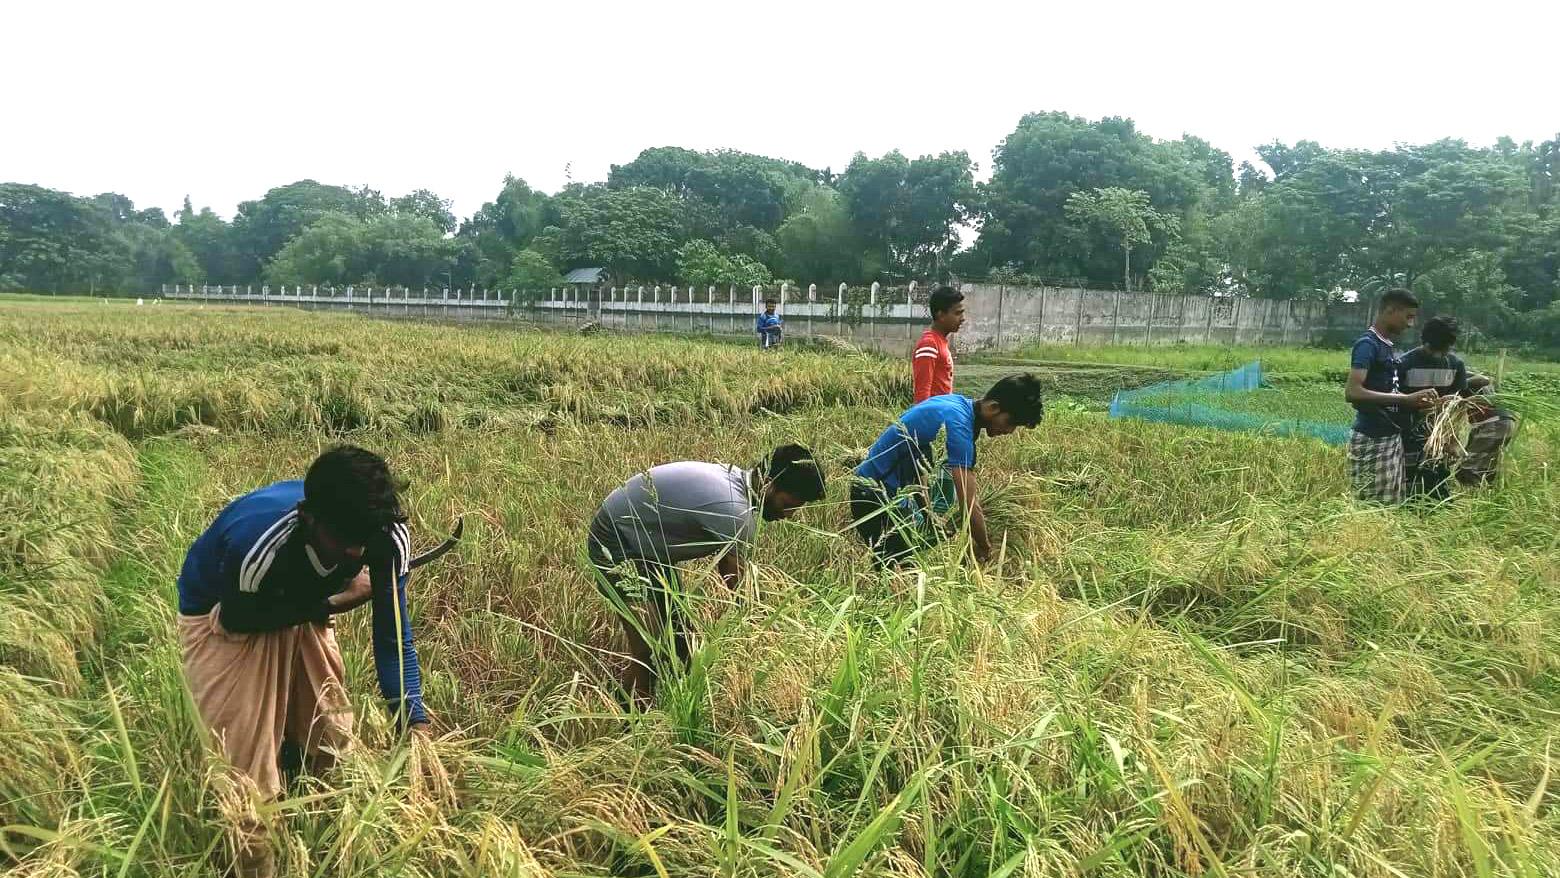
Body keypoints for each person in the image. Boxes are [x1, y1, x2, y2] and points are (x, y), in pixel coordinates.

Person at [176, 446, 427, 875]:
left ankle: (331, 845)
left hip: (300, 602)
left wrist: (412, 717)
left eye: (363, 540)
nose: (354, 553)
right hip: (225, 616)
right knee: (245, 777)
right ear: (309, 518)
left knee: (331, 736)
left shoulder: (383, 537)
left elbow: (393, 636)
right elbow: (240, 616)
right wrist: (333, 599)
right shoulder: (259, 543)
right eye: (344, 540)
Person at [587, 444, 825, 702]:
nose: (790, 515)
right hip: (617, 539)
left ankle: (681, 704)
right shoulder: (736, 511)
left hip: (648, 547)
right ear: (767, 484)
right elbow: (738, 591)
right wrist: (763, 639)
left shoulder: (735, 482)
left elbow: (733, 580)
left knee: (681, 640)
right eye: (788, 504)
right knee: (648, 644)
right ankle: (632, 719)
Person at [851, 374, 1044, 567]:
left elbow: (919, 465)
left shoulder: (958, 406)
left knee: (904, 564)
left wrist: (928, 516)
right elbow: (968, 503)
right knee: (899, 572)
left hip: (884, 495)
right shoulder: (959, 424)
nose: (1010, 431)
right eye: (1011, 423)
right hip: (872, 496)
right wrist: (985, 547)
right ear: (993, 407)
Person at [1399, 315, 1518, 495]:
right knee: (1409, 475)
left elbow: (1454, 407)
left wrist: (1451, 441)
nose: (1440, 355)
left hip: (1438, 431)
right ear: (1426, 342)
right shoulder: (1405, 363)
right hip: (1409, 428)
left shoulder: (1455, 364)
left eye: (1445, 349)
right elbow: (1396, 398)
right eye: (1435, 349)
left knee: (1437, 475)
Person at [1344, 288, 1440, 504]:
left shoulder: (1386, 346)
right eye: (1408, 316)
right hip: (1372, 437)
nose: (1410, 324)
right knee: (1373, 506)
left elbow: (1388, 393)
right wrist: (1406, 400)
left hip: (1388, 435)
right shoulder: (1368, 345)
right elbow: (1353, 392)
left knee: (1390, 505)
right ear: (1390, 310)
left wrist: (1417, 403)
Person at [913, 285, 965, 403]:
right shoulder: (929, 344)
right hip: (932, 417)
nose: (962, 319)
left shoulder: (939, 342)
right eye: (957, 313)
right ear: (940, 315)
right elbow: (922, 394)